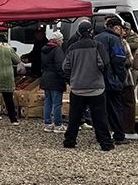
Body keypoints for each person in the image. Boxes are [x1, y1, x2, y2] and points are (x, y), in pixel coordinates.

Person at [62, 21, 114, 151]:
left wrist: (71, 79)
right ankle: (105, 143)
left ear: (79, 32)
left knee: (74, 117)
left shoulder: (72, 47)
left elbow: (65, 67)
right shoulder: (98, 46)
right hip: (96, 87)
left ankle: (70, 141)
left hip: (77, 87)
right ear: (91, 32)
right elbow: (104, 64)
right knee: (99, 117)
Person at [95, 17, 129, 143]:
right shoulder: (115, 39)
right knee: (115, 108)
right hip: (112, 79)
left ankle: (102, 135)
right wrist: (121, 77)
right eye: (121, 28)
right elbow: (119, 59)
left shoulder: (96, 38)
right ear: (116, 27)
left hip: (97, 79)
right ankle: (119, 135)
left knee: (100, 109)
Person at [40, 30, 66, 132]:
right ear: (58, 40)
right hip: (56, 79)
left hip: (46, 77)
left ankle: (48, 123)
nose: (62, 42)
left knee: (48, 102)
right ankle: (58, 124)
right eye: (62, 40)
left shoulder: (44, 49)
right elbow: (60, 66)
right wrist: (65, 77)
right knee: (57, 103)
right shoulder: (57, 50)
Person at [120, 22, 138, 139]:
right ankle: (128, 129)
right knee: (129, 102)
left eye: (126, 30)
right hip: (127, 75)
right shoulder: (123, 42)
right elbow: (130, 61)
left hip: (126, 74)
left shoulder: (133, 39)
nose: (124, 32)